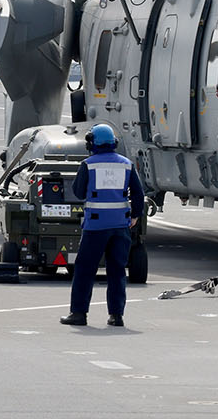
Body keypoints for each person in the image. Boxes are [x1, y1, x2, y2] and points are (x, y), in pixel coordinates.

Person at [60, 123, 144, 328]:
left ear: (92, 143)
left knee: (85, 269)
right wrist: (134, 216)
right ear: (113, 143)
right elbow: (139, 193)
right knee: (117, 271)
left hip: (96, 225)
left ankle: (79, 313)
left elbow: (79, 193)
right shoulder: (126, 164)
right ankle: (116, 316)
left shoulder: (88, 165)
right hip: (120, 225)